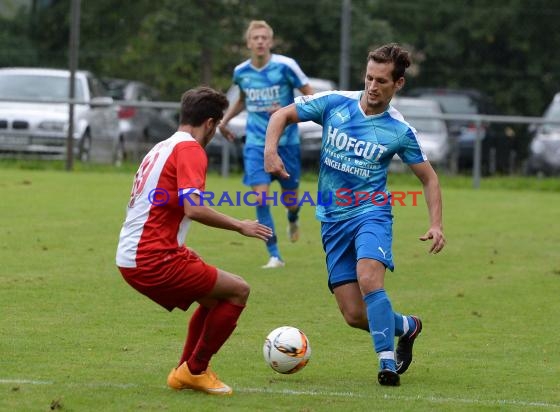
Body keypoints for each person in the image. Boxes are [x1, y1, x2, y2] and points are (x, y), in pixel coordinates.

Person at [264, 43, 445, 386]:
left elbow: (429, 178)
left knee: (369, 279)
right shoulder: (335, 103)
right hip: (332, 221)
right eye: (369, 78)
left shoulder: (399, 130)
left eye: (382, 81)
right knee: (353, 314)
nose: (373, 86)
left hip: (371, 213)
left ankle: (386, 362)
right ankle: (407, 326)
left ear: (399, 84)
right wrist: (271, 152)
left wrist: (436, 224)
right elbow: (281, 116)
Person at [115, 86, 273, 396]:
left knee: (215, 300)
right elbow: (194, 208)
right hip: (151, 258)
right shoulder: (190, 150)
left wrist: (178, 245)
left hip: (133, 254)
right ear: (212, 123)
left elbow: (156, 204)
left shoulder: (162, 147)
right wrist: (240, 225)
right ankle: (195, 369)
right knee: (239, 291)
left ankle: (184, 372)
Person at [218, 20, 314, 269]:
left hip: (287, 143)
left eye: (264, 38)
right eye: (255, 38)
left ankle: (293, 217)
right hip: (256, 143)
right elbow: (242, 99)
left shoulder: (285, 66)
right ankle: (274, 254)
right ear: (248, 43)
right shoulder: (241, 72)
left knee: (290, 199)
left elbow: (310, 95)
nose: (260, 41)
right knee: (260, 198)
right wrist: (225, 120)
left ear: (270, 42)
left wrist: (286, 111)